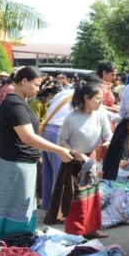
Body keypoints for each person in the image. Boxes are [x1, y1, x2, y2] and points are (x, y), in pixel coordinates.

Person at [0, 67, 81, 243]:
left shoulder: (23, 102)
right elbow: (27, 136)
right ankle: (7, 244)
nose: (38, 89)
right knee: (12, 206)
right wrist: (58, 149)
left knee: (24, 205)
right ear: (23, 81)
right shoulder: (14, 104)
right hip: (12, 162)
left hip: (22, 162)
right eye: (36, 85)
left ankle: (20, 242)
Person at [46, 80, 113, 239]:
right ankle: (76, 233)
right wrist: (76, 153)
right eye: (98, 99)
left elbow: (108, 133)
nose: (100, 102)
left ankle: (92, 229)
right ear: (86, 98)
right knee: (78, 201)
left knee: (93, 196)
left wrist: (109, 142)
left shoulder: (101, 113)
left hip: (91, 159)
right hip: (74, 162)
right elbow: (61, 141)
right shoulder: (71, 118)